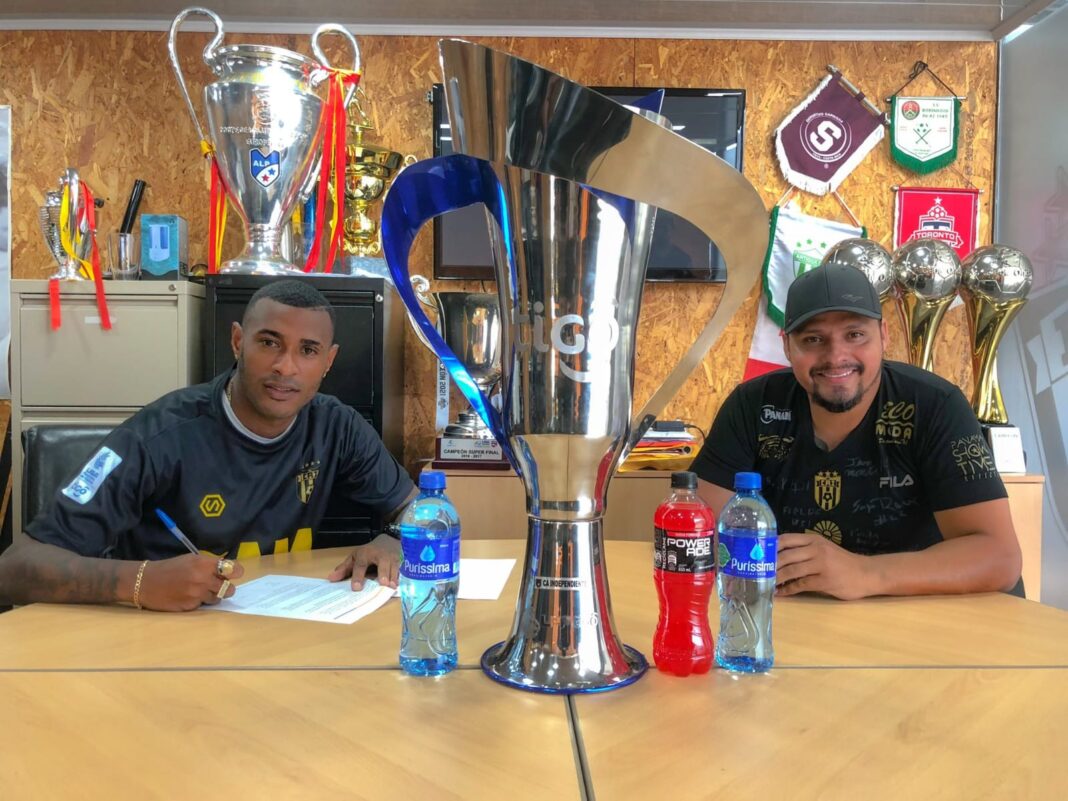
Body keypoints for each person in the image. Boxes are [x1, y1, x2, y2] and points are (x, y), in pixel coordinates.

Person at [0, 280, 416, 611]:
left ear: (328, 361)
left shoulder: (337, 426)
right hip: (156, 638)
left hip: (275, 631)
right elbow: (14, 569)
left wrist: (395, 539)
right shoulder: (157, 436)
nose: (285, 366)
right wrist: (141, 582)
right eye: (269, 342)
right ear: (237, 341)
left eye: (308, 350)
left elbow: (425, 510)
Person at [691, 262, 1022, 600]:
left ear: (884, 335)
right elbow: (700, 533)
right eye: (813, 339)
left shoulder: (936, 405)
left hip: (918, 613)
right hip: (794, 612)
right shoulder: (752, 405)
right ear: (787, 346)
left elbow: (999, 557)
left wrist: (863, 573)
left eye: (855, 335)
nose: (836, 356)